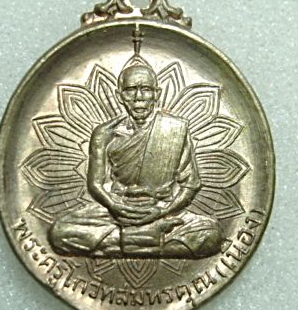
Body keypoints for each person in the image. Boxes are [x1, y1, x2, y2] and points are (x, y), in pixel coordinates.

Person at [49, 27, 221, 258]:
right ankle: (151, 241)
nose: (139, 97)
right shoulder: (104, 133)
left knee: (210, 236)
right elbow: (96, 184)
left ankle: (124, 242)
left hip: (162, 211)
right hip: (117, 211)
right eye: (131, 90)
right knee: (59, 233)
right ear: (119, 95)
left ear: (156, 94)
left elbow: (191, 185)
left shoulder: (175, 129)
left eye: (146, 90)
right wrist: (115, 206)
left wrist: (161, 211)